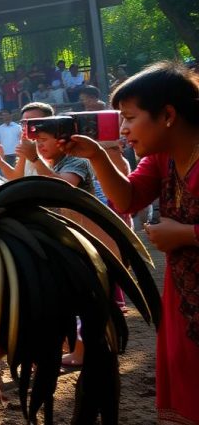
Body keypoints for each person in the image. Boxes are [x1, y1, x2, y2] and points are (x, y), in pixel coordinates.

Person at [63, 61, 199, 423]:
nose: (123, 129)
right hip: (184, 297)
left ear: (167, 114)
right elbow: (127, 199)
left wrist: (185, 235)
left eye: (129, 117)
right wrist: (95, 155)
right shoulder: (160, 158)